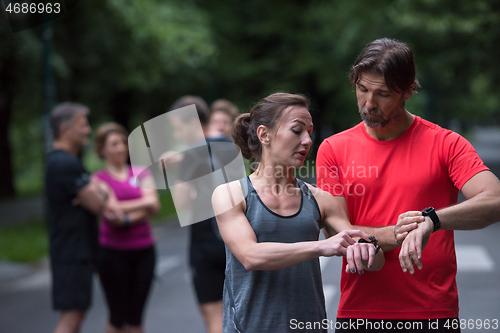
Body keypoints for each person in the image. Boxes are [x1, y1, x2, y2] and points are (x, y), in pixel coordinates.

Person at [316, 38, 500, 332]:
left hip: (432, 313)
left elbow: (494, 201)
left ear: (407, 91)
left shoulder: (445, 143)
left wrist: (432, 220)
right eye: (362, 89)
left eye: (383, 94)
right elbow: (336, 229)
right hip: (360, 311)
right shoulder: (333, 149)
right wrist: (400, 233)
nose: (369, 103)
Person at [212, 92, 386, 333]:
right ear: (264, 135)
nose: (308, 140)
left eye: (310, 132)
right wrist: (321, 247)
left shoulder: (319, 199)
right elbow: (251, 256)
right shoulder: (230, 194)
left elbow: (375, 262)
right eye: (297, 130)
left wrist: (368, 248)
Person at [162, 96, 238, 333]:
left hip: (205, 242)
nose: (177, 135)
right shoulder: (227, 146)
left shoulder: (192, 154)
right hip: (234, 236)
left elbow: (182, 201)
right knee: (239, 313)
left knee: (214, 317)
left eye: (178, 128)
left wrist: (175, 169)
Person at [45, 102, 115, 333]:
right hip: (71, 252)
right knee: (72, 317)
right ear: (66, 130)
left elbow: (93, 197)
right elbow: (97, 204)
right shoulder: (64, 163)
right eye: (83, 125)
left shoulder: (66, 162)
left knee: (78, 313)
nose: (88, 130)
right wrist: (100, 189)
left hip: (74, 250)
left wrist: (95, 189)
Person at [93, 122, 160, 333]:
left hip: (144, 251)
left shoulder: (141, 173)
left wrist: (127, 214)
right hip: (113, 253)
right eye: (114, 144)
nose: (121, 147)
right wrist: (143, 202)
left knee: (136, 317)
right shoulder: (98, 180)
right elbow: (113, 214)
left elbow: (155, 205)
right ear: (102, 149)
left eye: (123, 142)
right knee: (117, 317)